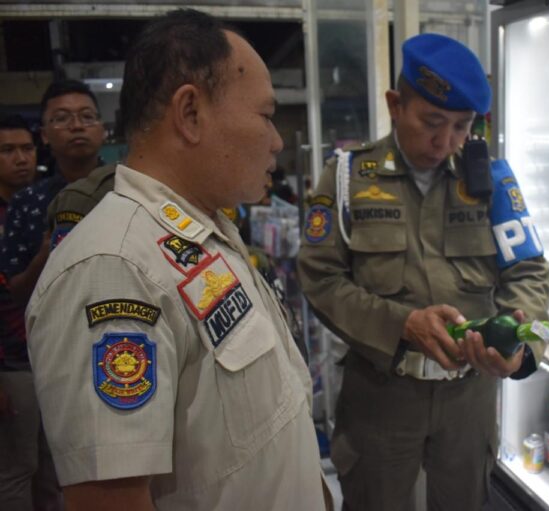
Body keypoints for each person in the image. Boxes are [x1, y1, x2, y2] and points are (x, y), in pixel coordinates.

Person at [26, 9, 329, 511]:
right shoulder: (115, 267)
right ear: (190, 114)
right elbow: (110, 499)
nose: (277, 140)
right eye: (266, 115)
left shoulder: (203, 233)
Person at [297, 33, 549, 511]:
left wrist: (520, 349)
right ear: (395, 105)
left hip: (468, 401)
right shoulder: (349, 177)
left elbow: (530, 273)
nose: (446, 141)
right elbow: (320, 278)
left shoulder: (491, 181)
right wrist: (402, 324)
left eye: (461, 126)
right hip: (382, 397)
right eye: (432, 122)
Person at [0, 79, 106, 308]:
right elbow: (17, 294)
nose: (76, 126)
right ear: (44, 135)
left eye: (87, 116)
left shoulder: (129, 189)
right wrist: (46, 256)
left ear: (103, 129)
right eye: (62, 118)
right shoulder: (25, 202)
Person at [0, 115, 58, 511]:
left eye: (26, 148)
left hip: (50, 353)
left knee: (54, 468)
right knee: (17, 469)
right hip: (10, 359)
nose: (21, 158)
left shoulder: (45, 203)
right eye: (8, 150)